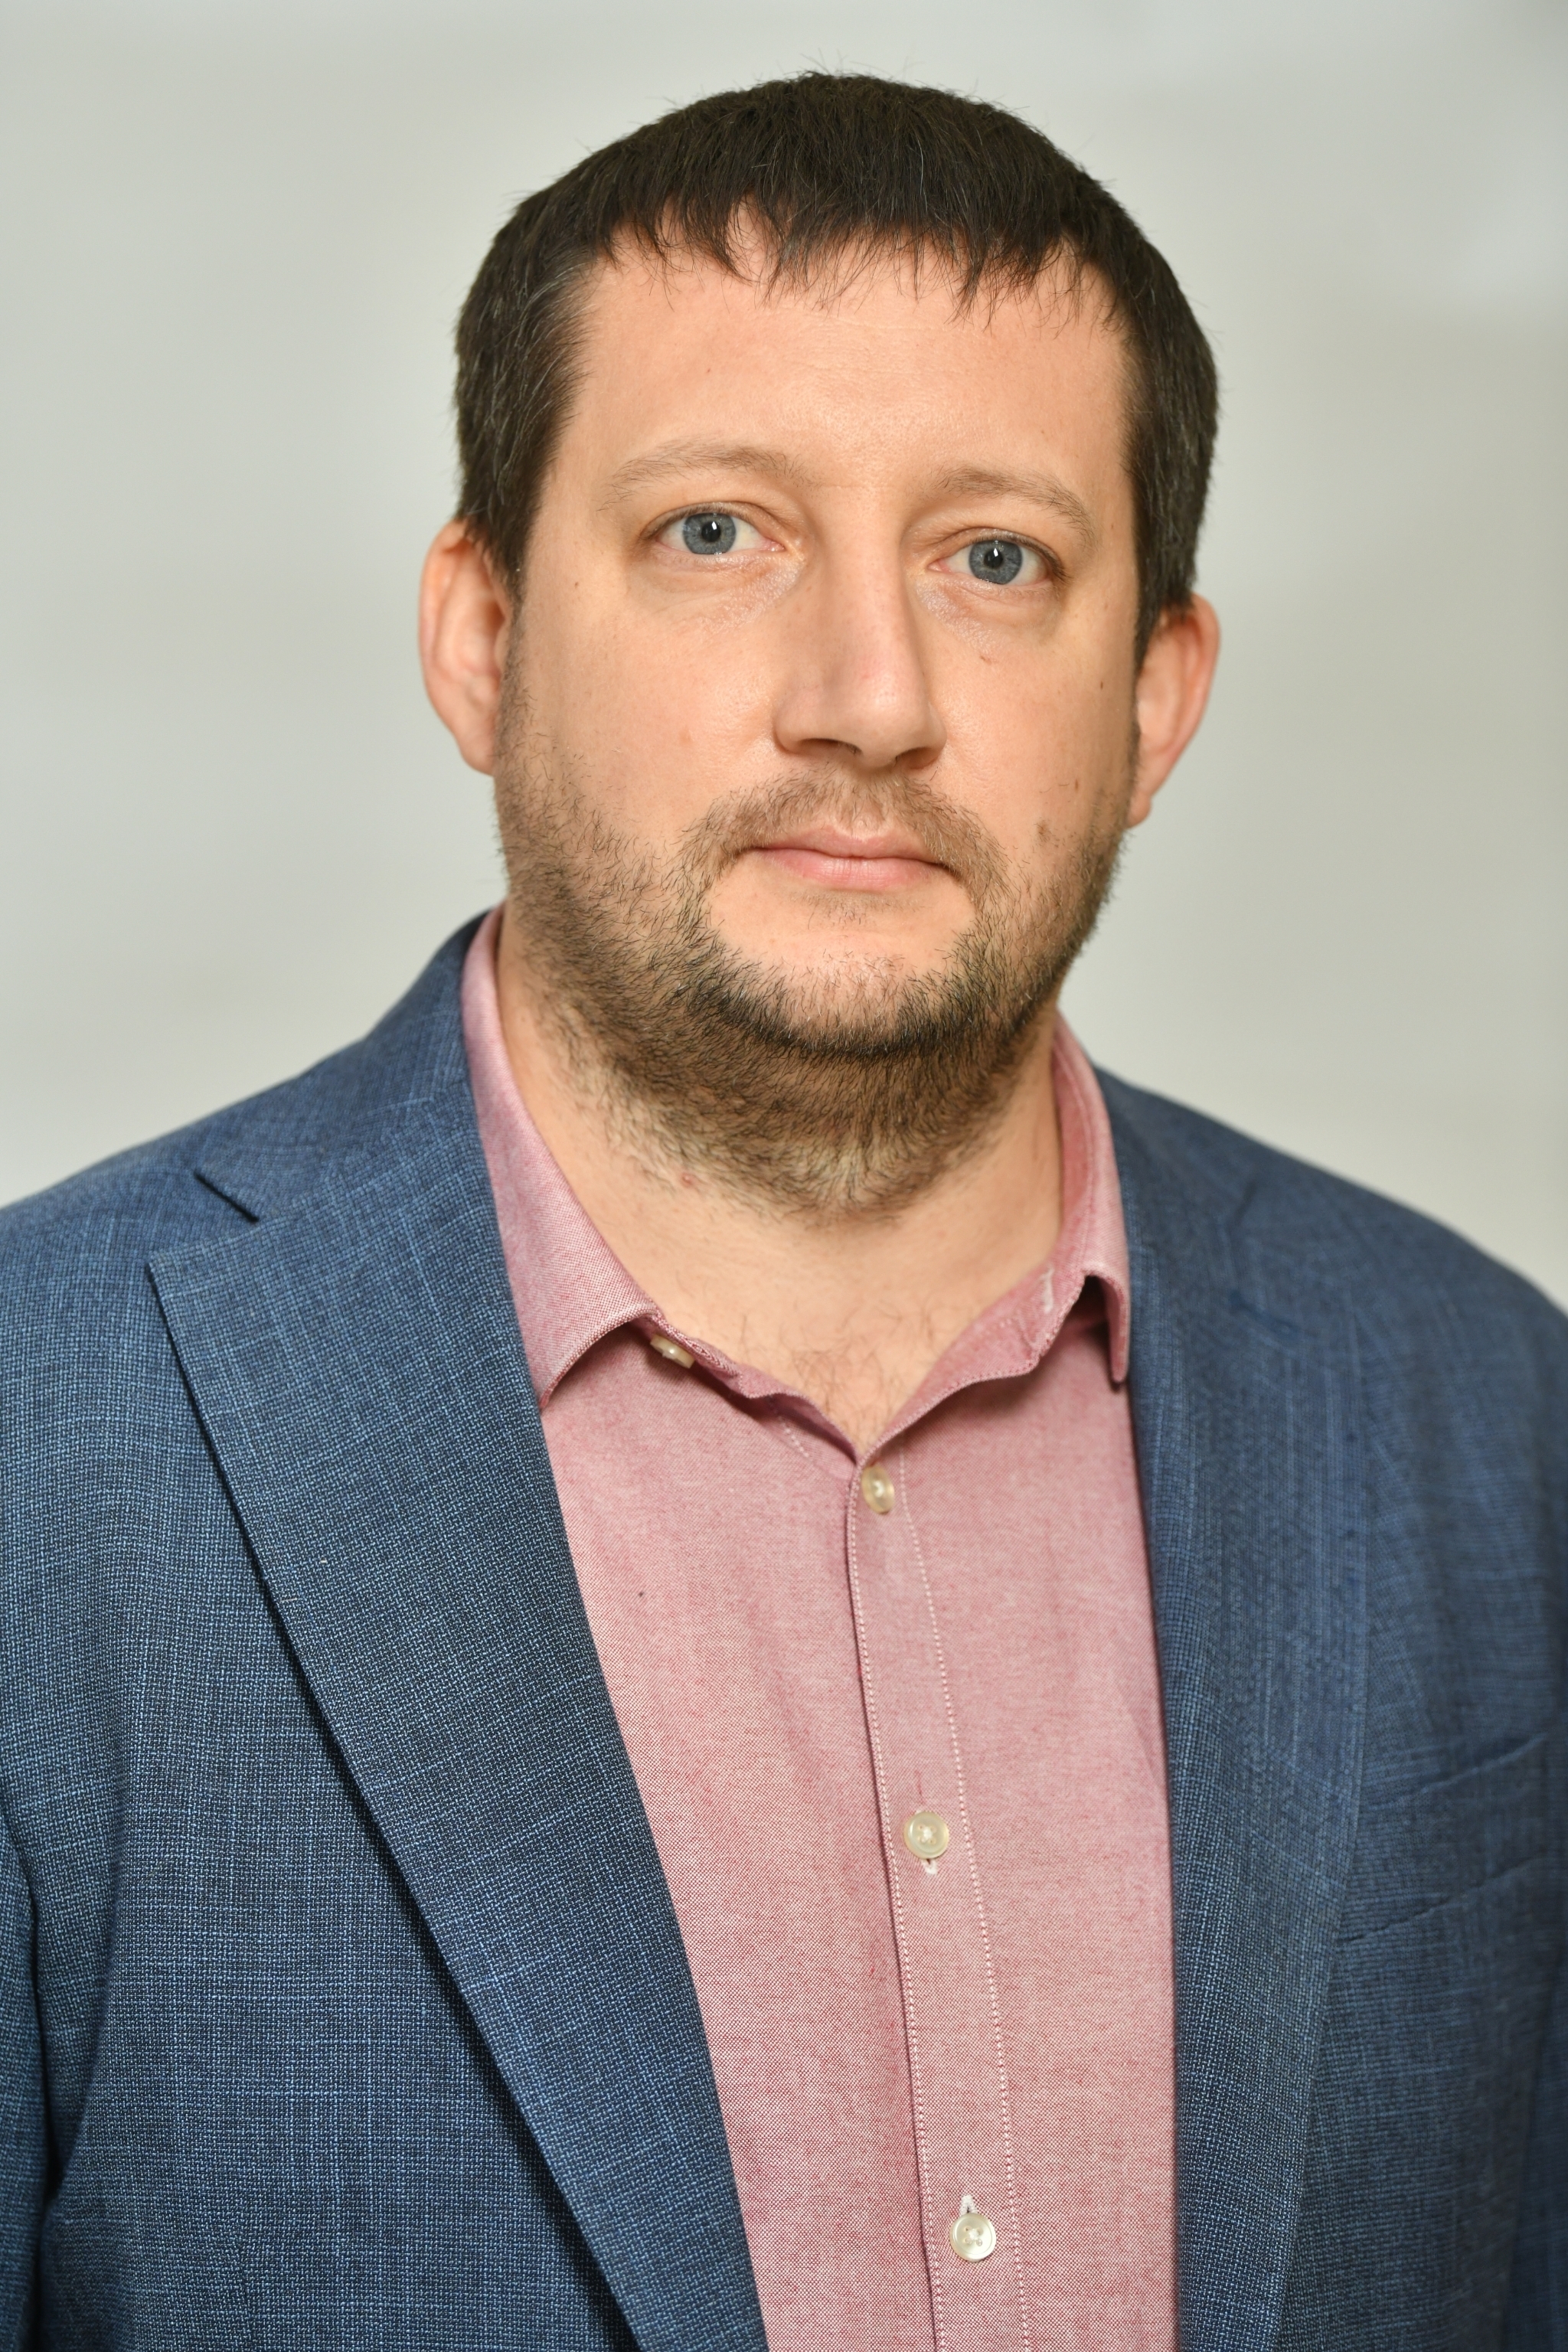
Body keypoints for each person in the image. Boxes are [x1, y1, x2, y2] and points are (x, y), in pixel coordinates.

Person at [1, 69, 1562, 2352]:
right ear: (482, 636)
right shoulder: (40, 1435)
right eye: (718, 532)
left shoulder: (1493, 1420)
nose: (869, 701)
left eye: (995, 560)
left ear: (1156, 700)